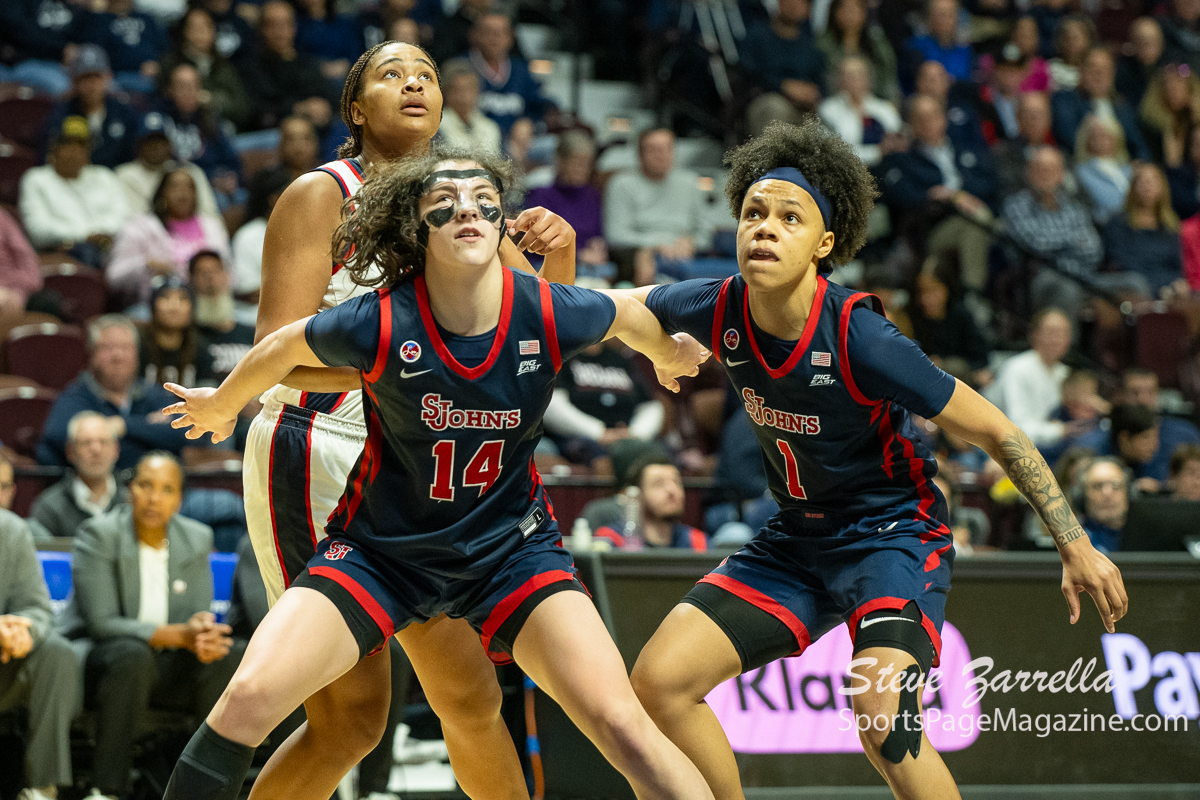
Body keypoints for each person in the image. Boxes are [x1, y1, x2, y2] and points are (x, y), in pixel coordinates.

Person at [159, 147, 715, 800]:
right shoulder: (380, 317)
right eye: (445, 205)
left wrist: (664, 351)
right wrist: (223, 404)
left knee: (620, 723)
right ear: (415, 231)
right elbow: (282, 344)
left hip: (510, 550)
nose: (469, 212)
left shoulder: (543, 306)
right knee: (248, 697)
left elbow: (624, 310)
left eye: (486, 203)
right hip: (382, 552)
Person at [624, 118, 1126, 800]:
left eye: (789, 217)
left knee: (882, 718)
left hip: (891, 535)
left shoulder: (861, 336)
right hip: (796, 538)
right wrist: (656, 341)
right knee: (658, 683)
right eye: (753, 213)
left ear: (824, 243)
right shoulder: (719, 305)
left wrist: (1075, 542)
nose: (765, 229)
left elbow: (999, 432)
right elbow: (609, 310)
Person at [231, 40, 576, 800]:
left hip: (415, 459)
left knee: (471, 697)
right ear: (356, 109)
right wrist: (409, 367)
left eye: (426, 74)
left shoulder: (464, 201)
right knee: (350, 720)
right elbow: (273, 354)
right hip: (318, 447)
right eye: (392, 74)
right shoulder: (321, 194)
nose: (414, 82)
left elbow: (541, 330)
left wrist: (563, 254)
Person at [65, 452, 244, 800]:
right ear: (129, 490)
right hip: (105, 665)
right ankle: (106, 789)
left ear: (179, 500)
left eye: (166, 489)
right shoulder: (99, 534)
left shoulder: (196, 537)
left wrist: (203, 631)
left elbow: (197, 613)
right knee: (132, 655)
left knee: (228, 655)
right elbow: (102, 623)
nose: (153, 498)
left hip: (166, 664)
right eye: (145, 485)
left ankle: (204, 788)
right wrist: (180, 635)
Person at [0, 460, 80, 800]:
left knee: (56, 651)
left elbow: (37, 609)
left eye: (2, 486)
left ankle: (42, 788)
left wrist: (23, 632)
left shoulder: (11, 530)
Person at [37, 315, 189, 470]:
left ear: (137, 354)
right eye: (107, 348)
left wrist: (123, 425)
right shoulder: (76, 395)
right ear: (92, 354)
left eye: (125, 347)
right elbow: (58, 436)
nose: (118, 355)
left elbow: (184, 434)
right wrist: (148, 430)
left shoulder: (154, 393)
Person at [107, 167, 232, 304]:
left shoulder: (212, 226)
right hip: (155, 304)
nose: (183, 193)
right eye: (175, 187)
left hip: (210, 303)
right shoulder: (139, 227)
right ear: (162, 192)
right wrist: (146, 265)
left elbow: (230, 272)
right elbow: (114, 277)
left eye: (189, 187)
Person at [18, 116, 130, 269]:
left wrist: (100, 234)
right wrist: (85, 236)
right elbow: (38, 230)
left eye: (81, 144)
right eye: (68, 143)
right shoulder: (37, 179)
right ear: (55, 147)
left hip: (111, 251)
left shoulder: (104, 176)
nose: (75, 150)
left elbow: (124, 217)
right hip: (63, 254)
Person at [604, 129, 712, 282]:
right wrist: (657, 244)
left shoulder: (690, 182)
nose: (661, 155)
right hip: (641, 254)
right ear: (640, 154)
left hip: (687, 254)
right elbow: (616, 235)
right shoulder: (621, 184)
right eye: (653, 149)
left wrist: (691, 243)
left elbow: (706, 232)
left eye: (666, 149)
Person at [543, 339, 666, 472]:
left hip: (627, 437)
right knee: (602, 461)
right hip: (578, 437)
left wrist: (635, 434)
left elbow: (651, 406)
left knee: (661, 454)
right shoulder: (563, 357)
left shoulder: (619, 359)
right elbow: (552, 404)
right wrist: (598, 432)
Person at [237, 0, 334, 132]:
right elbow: (257, 112)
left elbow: (330, 99)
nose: (280, 31)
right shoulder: (249, 68)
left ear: (294, 27)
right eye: (273, 25)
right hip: (271, 134)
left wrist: (324, 109)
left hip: (315, 131)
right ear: (260, 29)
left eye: (286, 24)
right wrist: (299, 109)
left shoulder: (309, 64)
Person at [30, 410, 128, 539]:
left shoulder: (132, 501)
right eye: (86, 443)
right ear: (70, 451)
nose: (96, 450)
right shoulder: (49, 507)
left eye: (103, 442)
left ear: (116, 449)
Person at [525, 130, 609, 279]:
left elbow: (597, 235)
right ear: (560, 161)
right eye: (576, 163)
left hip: (588, 266)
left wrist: (598, 247)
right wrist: (579, 255)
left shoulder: (593, 196)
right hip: (547, 263)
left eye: (586, 164)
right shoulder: (541, 196)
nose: (582, 170)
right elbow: (538, 243)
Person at [43, 45, 140, 169]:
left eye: (96, 77)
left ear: (108, 77)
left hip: (114, 177)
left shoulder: (123, 113)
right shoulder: (62, 114)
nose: (91, 85)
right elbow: (47, 156)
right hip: (72, 176)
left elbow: (132, 159)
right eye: (85, 78)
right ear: (74, 81)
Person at [157, 7, 251, 132]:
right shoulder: (171, 64)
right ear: (184, 31)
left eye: (206, 27)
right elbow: (161, 101)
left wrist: (212, 100)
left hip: (219, 129)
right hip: (180, 127)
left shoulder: (223, 66)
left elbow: (243, 110)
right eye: (195, 28)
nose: (200, 33)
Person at [589, 455, 708, 551]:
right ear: (636, 496)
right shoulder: (611, 541)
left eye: (676, 482)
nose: (672, 490)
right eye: (658, 484)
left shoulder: (698, 543)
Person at [1051, 47, 1150, 162]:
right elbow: (1070, 139)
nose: (1099, 73)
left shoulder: (1122, 107)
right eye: (1092, 67)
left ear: (1112, 74)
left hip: (1121, 168)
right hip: (1080, 164)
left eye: (1105, 69)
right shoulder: (1065, 100)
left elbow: (1139, 146)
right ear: (1080, 70)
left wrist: (1140, 163)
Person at [1103, 161, 1187, 298]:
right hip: (1133, 290)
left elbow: (1176, 267)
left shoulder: (1170, 225)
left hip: (1168, 290)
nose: (1147, 186)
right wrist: (1160, 287)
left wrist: (1175, 285)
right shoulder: (1118, 223)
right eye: (1142, 181)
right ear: (1132, 187)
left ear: (1162, 187)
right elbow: (1120, 263)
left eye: (1152, 181)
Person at [742, 0, 827, 136]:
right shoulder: (757, 36)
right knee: (775, 108)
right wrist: (783, 86)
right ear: (779, 3)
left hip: (805, 107)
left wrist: (811, 94)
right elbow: (748, 75)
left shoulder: (810, 47)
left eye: (801, 2)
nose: (794, 5)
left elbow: (821, 83)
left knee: (832, 117)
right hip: (767, 99)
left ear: (808, 10)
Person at [115, 112, 220, 218]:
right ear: (138, 145)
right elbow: (128, 218)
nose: (155, 147)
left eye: (161, 141)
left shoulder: (190, 172)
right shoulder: (124, 175)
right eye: (149, 141)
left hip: (189, 227)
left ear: (170, 144)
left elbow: (210, 215)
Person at [467, 13, 549, 138]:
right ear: (475, 35)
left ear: (511, 38)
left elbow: (537, 107)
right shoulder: (462, 67)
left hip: (517, 141)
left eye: (500, 33)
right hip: (473, 140)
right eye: (489, 32)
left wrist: (528, 123)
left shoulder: (521, 70)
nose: (494, 39)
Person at [817, 56, 903, 167]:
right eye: (848, 75)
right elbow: (834, 152)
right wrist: (877, 152)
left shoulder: (885, 108)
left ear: (869, 78)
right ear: (839, 79)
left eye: (859, 74)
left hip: (889, 168)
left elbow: (898, 140)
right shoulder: (828, 110)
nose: (854, 79)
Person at [189, 250, 255, 383]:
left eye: (215, 271)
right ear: (192, 280)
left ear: (226, 275)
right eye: (203, 273)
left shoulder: (251, 332)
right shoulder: (188, 336)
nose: (210, 278)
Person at [816, 0, 899, 103]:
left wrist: (891, 102)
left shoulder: (877, 44)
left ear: (864, 13)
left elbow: (889, 79)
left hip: (873, 101)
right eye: (845, 9)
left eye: (854, 9)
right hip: (833, 102)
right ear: (835, 12)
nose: (850, 15)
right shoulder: (822, 44)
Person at [79, 0, 167, 93]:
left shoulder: (147, 19)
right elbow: (93, 52)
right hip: (115, 77)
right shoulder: (98, 21)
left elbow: (165, 50)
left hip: (150, 76)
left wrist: (159, 66)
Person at [139, 276, 210, 387]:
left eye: (182, 298)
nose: (174, 307)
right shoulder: (137, 346)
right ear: (153, 306)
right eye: (166, 297)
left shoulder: (201, 348)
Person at [992, 91, 1056, 198]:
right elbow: (1007, 191)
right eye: (1028, 114)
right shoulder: (1003, 153)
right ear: (1018, 117)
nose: (1034, 119)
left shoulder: (1060, 154)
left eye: (1040, 113)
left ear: (1049, 118)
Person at [1072, 114, 1130, 225]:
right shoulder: (1082, 172)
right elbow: (1108, 203)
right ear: (1086, 139)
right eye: (1094, 136)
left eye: (1105, 134)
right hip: (1107, 225)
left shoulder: (1129, 169)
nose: (1100, 140)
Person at [437, 58, 503, 154]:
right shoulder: (437, 127)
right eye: (458, 90)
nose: (464, 96)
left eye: (469, 89)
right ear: (446, 92)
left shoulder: (490, 128)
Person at [1073, 456, 1131, 552]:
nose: (1107, 494)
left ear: (1128, 494)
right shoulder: (1071, 541)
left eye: (1115, 486)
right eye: (1098, 486)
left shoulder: (1150, 536)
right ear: (1082, 496)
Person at [905, 0, 972, 83]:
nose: (947, 20)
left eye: (951, 14)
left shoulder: (965, 50)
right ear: (930, 17)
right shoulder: (916, 47)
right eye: (942, 14)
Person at [0, 208, 43, 319]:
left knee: (49, 302)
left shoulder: (2, 217)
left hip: (15, 289)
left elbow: (26, 257)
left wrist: (19, 293)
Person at [1117, 17, 1166, 109]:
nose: (1149, 46)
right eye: (1143, 41)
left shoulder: (1169, 68)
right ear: (1133, 44)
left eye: (1153, 40)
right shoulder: (1122, 73)